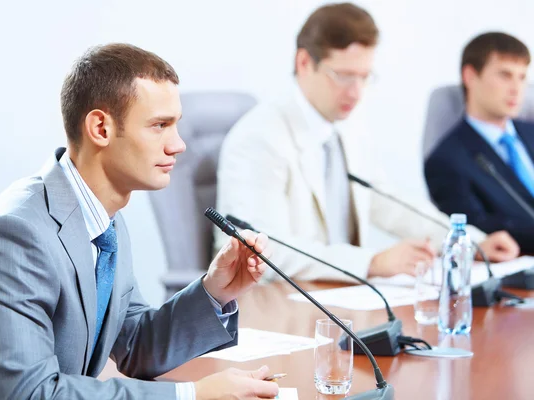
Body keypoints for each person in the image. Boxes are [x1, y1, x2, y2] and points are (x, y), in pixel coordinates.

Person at [0, 44, 279, 400]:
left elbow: (135, 344)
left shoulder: (102, 220)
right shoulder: (15, 236)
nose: (178, 145)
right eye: (159, 126)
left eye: (176, 126)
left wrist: (215, 290)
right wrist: (193, 395)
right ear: (100, 127)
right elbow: (35, 394)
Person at [215, 3, 519, 283]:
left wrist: (467, 240)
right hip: (276, 305)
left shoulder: (347, 126)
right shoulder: (259, 137)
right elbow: (264, 247)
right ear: (305, 62)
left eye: (364, 77)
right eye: (344, 76)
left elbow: (386, 202)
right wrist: (373, 261)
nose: (356, 92)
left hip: (337, 297)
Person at [425, 32, 534, 254]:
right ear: (470, 76)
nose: (516, 88)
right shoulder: (447, 160)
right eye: (505, 75)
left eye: (522, 77)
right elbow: (477, 229)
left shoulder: (530, 132)